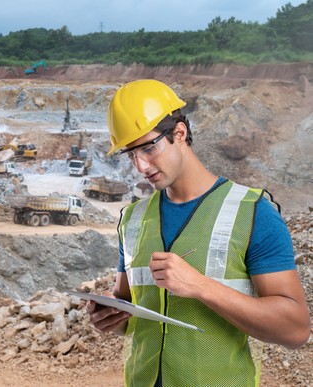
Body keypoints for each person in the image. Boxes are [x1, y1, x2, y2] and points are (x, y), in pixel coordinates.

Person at [87, 79, 310, 387]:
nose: (140, 165)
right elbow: (130, 307)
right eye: (130, 154)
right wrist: (110, 317)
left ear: (179, 133)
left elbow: (295, 330)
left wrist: (201, 286)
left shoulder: (252, 212)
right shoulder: (133, 220)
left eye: (149, 147)